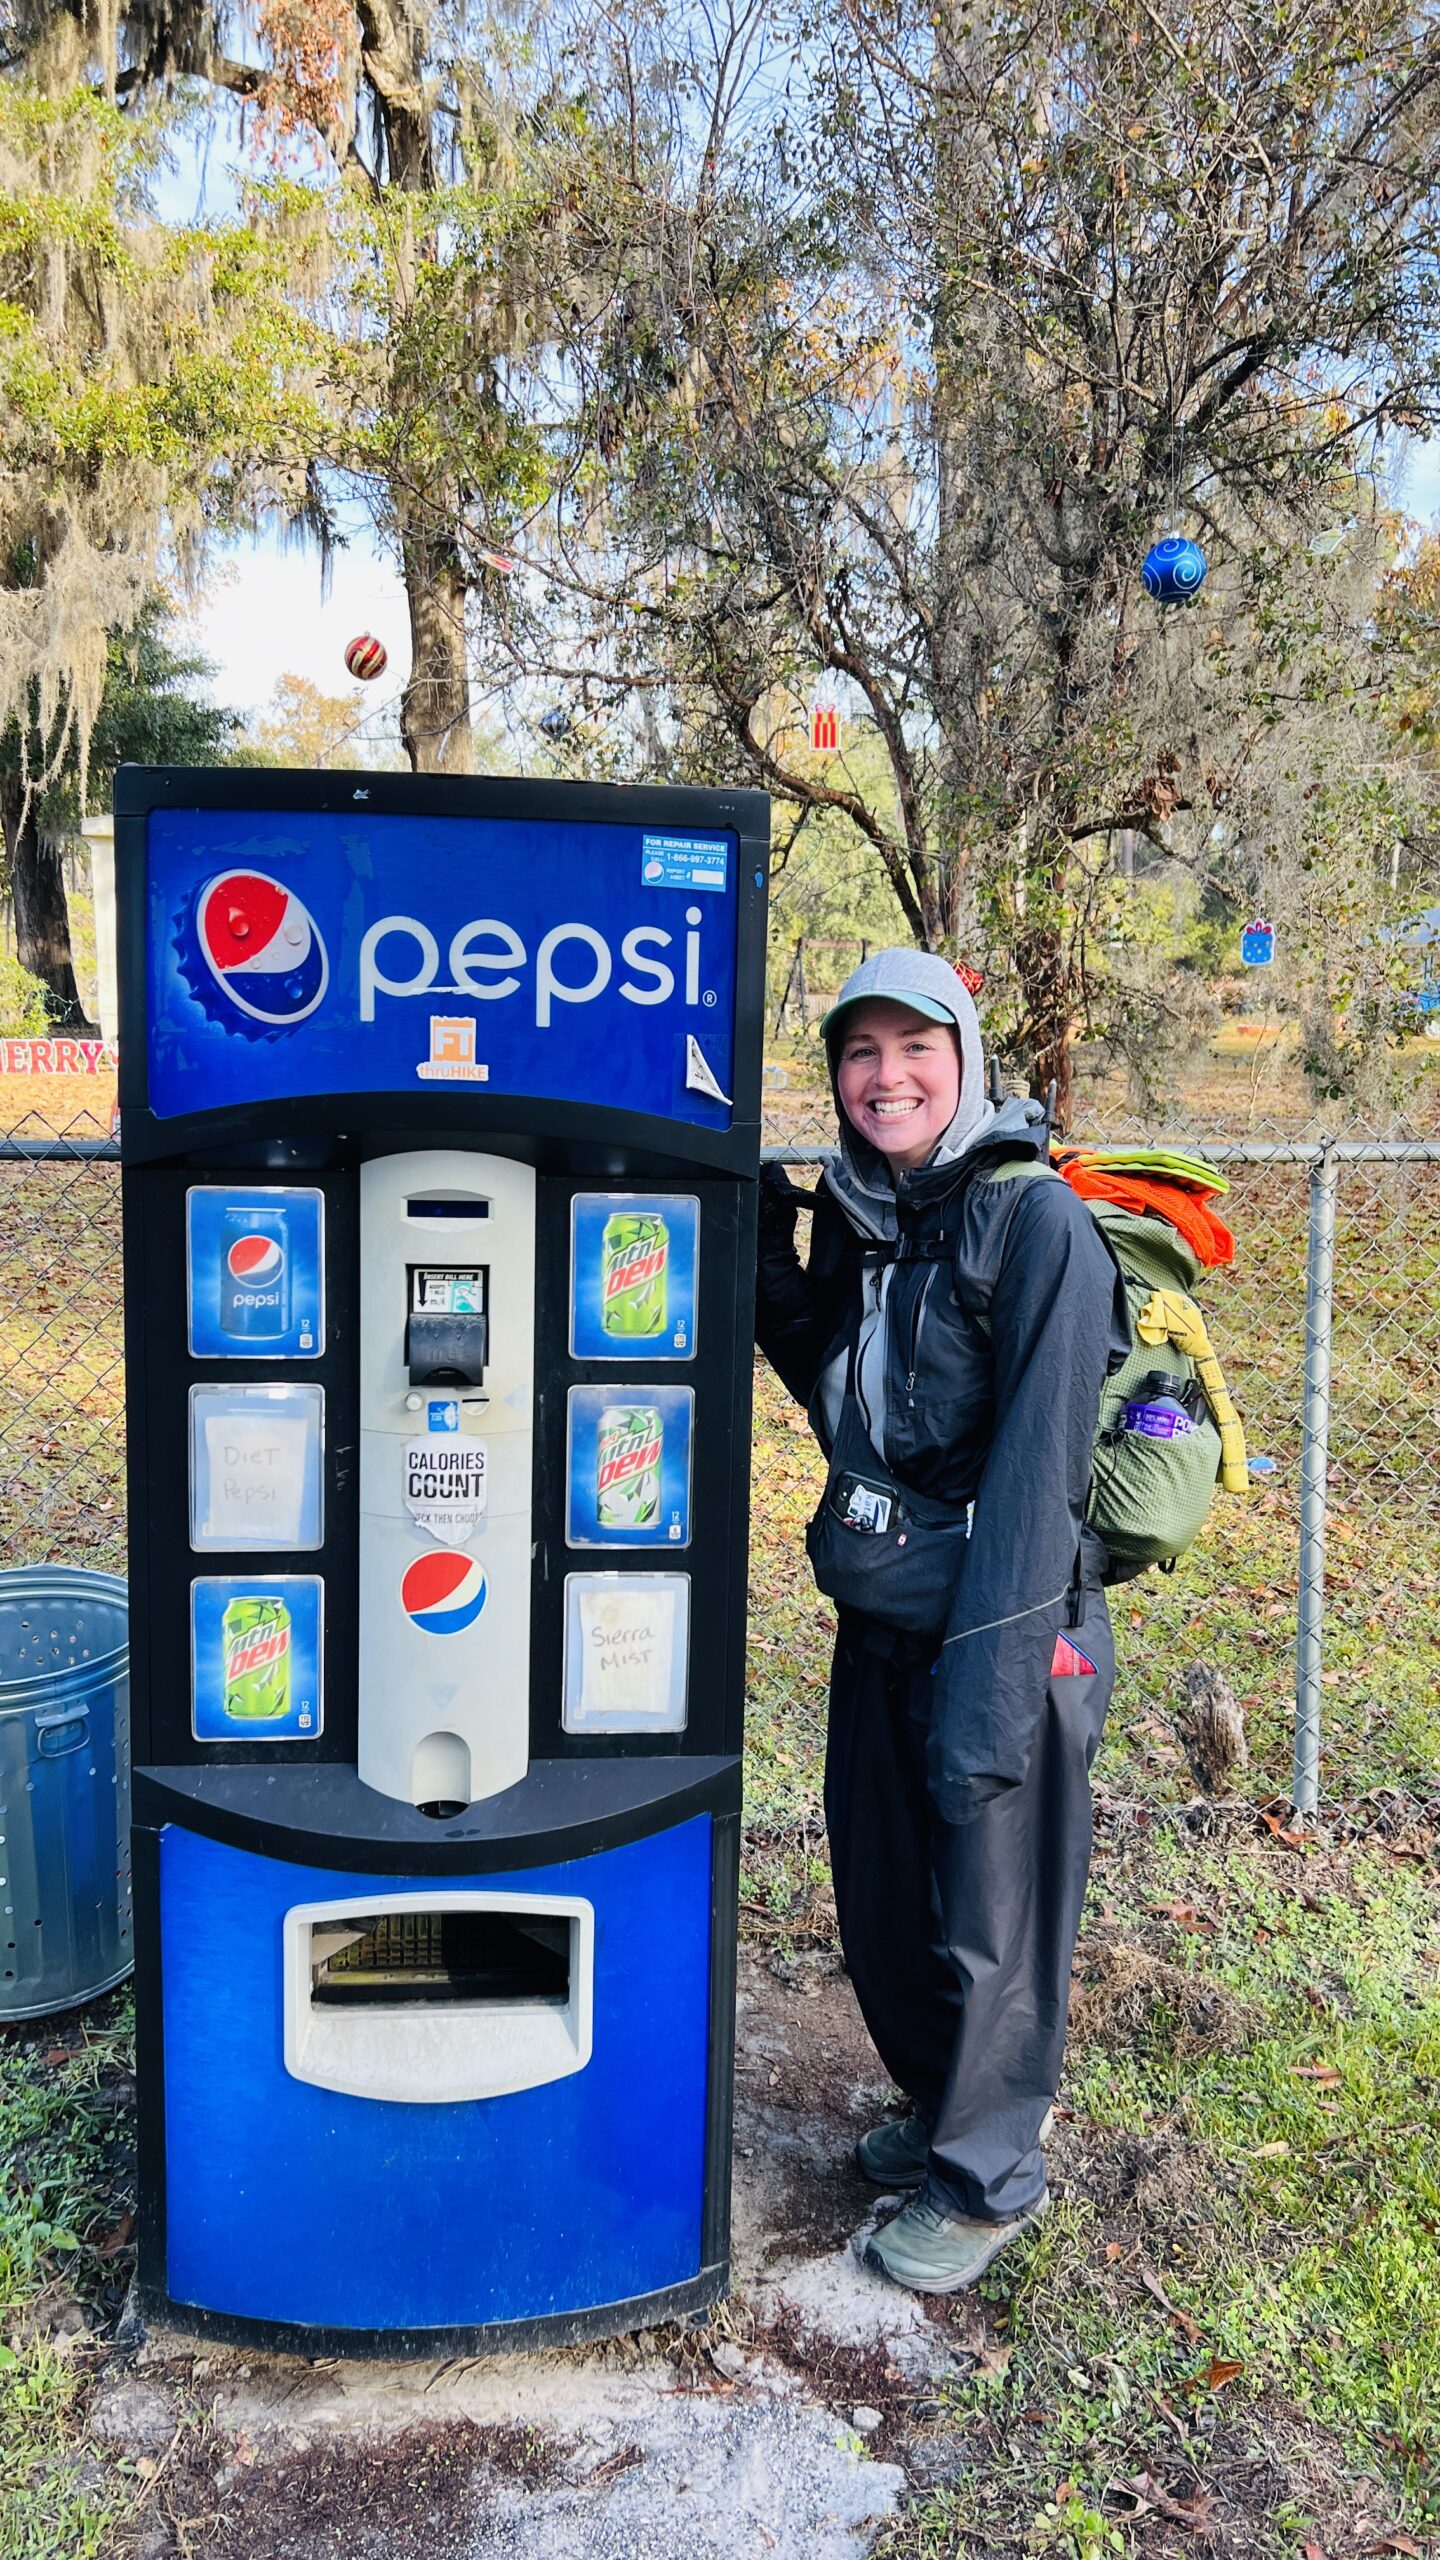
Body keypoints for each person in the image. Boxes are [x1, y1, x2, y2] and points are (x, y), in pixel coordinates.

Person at [756, 949, 1131, 2292]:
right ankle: (939, 2108)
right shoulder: (882, 1216)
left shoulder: (1034, 1226)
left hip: (1008, 1628)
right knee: (886, 1893)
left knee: (993, 1915)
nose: (885, 1076)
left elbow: (1037, 1477)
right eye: (860, 1052)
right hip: (886, 1612)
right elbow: (861, 1410)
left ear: (964, 1060)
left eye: (914, 1048)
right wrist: (777, 1278)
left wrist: (990, 1694)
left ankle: (988, 2181)